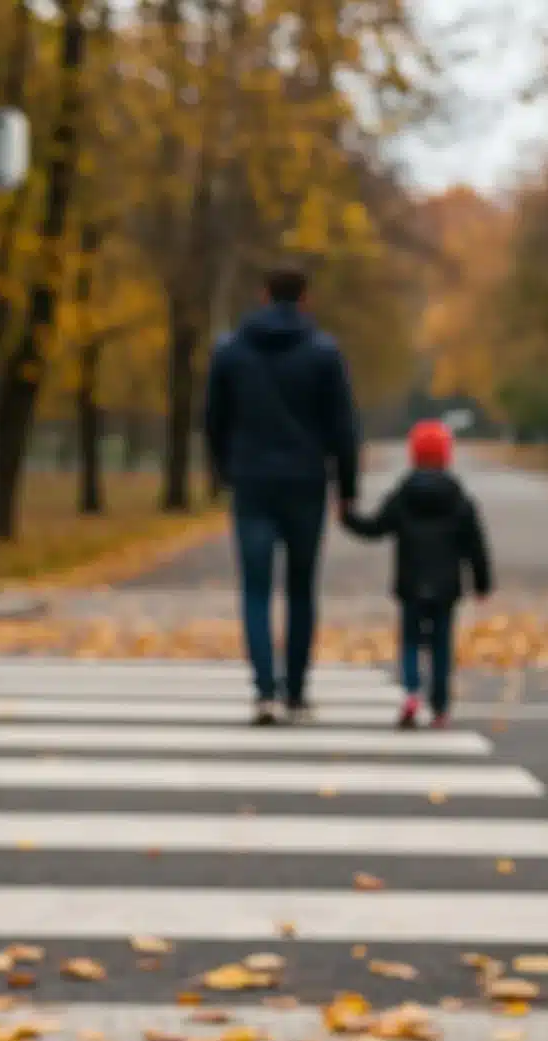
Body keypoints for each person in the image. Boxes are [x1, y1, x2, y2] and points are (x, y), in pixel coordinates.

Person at [203, 266, 362, 725]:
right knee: (300, 589)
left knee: (255, 589)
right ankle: (296, 691)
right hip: (306, 483)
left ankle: (264, 691)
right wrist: (346, 488)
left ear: (263, 294)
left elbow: (214, 419)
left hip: (252, 481)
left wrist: (224, 472)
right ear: (305, 298)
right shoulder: (323, 353)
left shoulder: (231, 352)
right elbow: (343, 427)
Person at [341, 420, 493, 729]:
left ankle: (411, 692)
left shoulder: (403, 495)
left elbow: (375, 527)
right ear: (446, 454)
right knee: (441, 645)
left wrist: (347, 516)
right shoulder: (458, 498)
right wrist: (482, 582)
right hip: (447, 586)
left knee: (410, 641)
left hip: (410, 583)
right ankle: (440, 707)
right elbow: (475, 544)